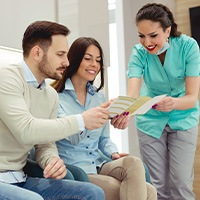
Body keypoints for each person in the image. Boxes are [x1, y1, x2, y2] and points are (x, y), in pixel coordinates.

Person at [0, 20, 109, 200]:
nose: (66, 62)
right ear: (37, 53)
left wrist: (50, 160)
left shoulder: (50, 94)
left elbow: (44, 143)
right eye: (60, 55)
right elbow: (26, 130)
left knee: (92, 192)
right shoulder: (8, 79)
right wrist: (81, 120)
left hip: (19, 177)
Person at [51, 37, 157, 200]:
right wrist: (95, 116)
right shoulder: (56, 98)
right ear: (75, 59)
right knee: (146, 192)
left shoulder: (98, 97)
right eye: (88, 59)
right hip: (76, 168)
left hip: (99, 162)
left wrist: (113, 153)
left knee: (134, 163)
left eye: (98, 60)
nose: (94, 64)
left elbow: (104, 139)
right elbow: (71, 136)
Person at [127, 3, 200, 200]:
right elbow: (132, 93)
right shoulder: (139, 52)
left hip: (183, 116)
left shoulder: (188, 46)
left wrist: (173, 104)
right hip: (150, 119)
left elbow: (192, 97)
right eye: (141, 36)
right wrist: (125, 112)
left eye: (153, 35)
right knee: (157, 186)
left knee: (181, 183)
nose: (146, 42)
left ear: (167, 30)